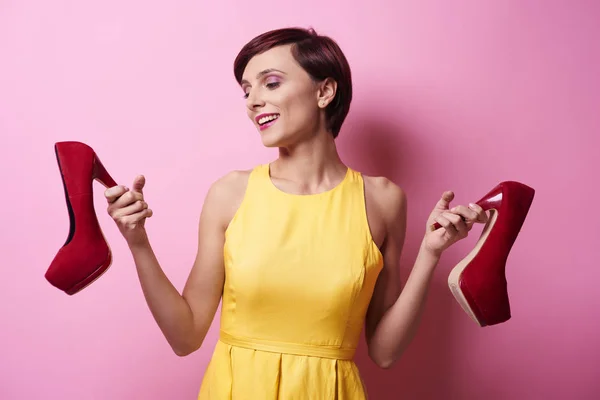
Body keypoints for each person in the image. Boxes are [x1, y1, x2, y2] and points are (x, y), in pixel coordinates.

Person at [104, 27, 488, 399]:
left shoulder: (383, 199)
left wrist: (430, 253)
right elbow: (185, 337)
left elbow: (385, 353)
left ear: (324, 91)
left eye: (270, 83)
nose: (253, 100)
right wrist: (137, 241)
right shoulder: (230, 193)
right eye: (246, 90)